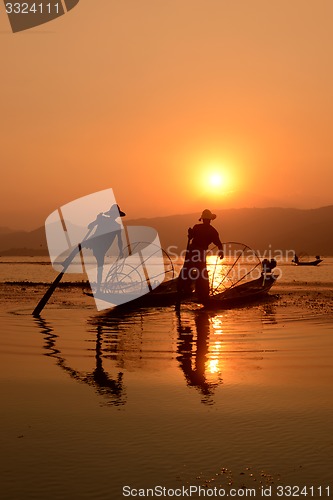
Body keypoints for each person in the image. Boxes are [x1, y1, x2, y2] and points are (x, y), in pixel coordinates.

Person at [178, 209, 223, 303]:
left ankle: (189, 289)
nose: (206, 221)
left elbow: (218, 243)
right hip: (197, 251)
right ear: (209, 220)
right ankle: (198, 292)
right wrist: (190, 234)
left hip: (194, 250)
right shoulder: (209, 230)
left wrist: (221, 251)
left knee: (189, 270)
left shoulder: (206, 229)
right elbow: (218, 243)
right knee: (198, 272)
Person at [84, 204, 126, 292]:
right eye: (113, 214)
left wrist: (121, 251)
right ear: (111, 214)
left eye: (115, 215)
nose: (114, 216)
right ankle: (67, 261)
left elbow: (119, 241)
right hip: (93, 242)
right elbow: (89, 226)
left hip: (101, 247)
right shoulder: (102, 220)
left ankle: (98, 289)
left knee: (100, 267)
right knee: (80, 247)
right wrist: (96, 220)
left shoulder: (116, 226)